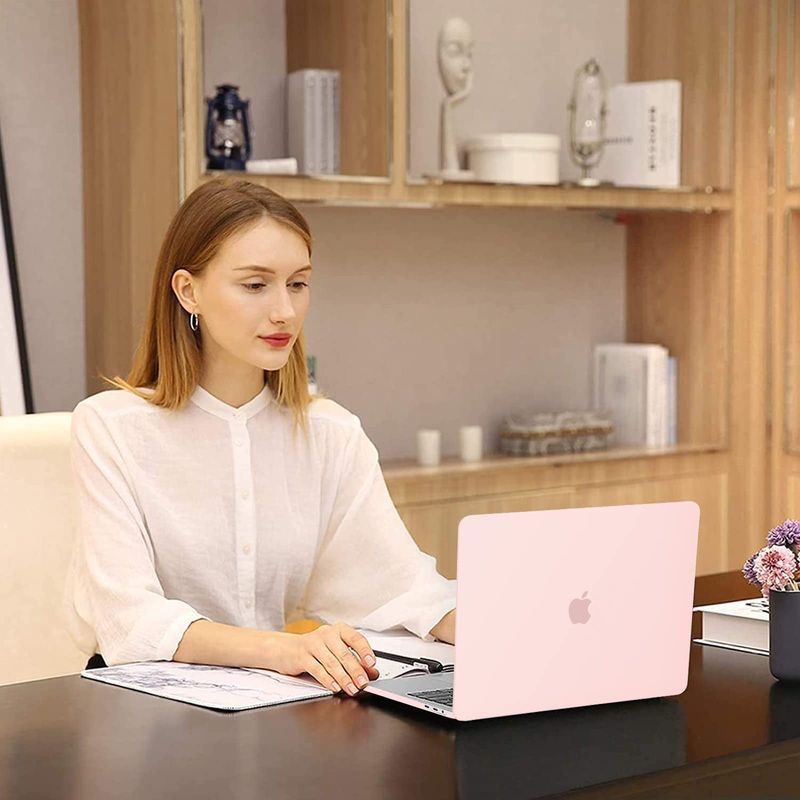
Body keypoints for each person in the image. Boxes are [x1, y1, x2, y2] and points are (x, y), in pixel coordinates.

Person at [63, 178, 457, 698]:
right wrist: (284, 650)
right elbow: (129, 619)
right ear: (188, 291)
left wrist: (491, 625)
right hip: (138, 706)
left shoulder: (331, 433)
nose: (284, 311)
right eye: (255, 285)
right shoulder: (110, 427)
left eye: (298, 284)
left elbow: (397, 583)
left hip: (271, 699)